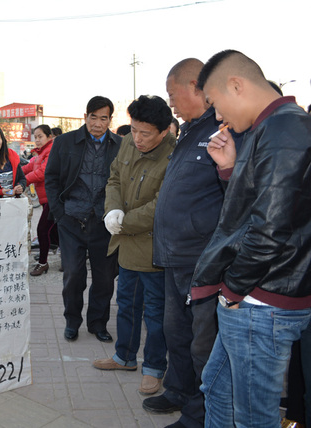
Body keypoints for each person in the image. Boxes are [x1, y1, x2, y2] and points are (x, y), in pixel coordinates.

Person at [192, 49, 311, 428]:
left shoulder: (285, 129)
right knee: (217, 388)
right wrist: (229, 170)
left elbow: (270, 229)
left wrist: (233, 291)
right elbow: (261, 210)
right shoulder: (272, 128)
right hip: (256, 297)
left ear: (236, 85)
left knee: (253, 417)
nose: (218, 116)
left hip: (261, 301)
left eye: (215, 104)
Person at [141, 58, 235, 428]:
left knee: (202, 341)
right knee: (174, 330)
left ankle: (199, 414)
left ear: (196, 86)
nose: (172, 103)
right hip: (174, 255)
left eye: (173, 94)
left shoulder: (223, 130)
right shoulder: (189, 131)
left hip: (200, 257)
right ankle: (179, 390)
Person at [93, 95, 175, 396]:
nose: (138, 139)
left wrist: (124, 221)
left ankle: (154, 368)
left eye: (146, 133)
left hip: (153, 250)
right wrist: (112, 209)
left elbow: (161, 206)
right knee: (126, 303)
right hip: (125, 245)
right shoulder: (128, 142)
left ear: (164, 131)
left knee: (155, 312)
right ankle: (124, 356)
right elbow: (114, 178)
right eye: (134, 129)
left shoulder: (173, 157)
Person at [45, 96, 121, 343]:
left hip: (104, 223)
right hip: (72, 221)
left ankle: (98, 324)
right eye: (93, 117)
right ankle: (72, 321)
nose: (98, 123)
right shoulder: (65, 142)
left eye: (104, 118)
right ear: (85, 117)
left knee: (104, 279)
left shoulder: (120, 145)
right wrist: (60, 213)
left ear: (110, 120)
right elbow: (52, 178)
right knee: (74, 275)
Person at [21, 124, 58, 276]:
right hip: (45, 199)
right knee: (53, 229)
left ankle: (43, 263)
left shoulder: (51, 152)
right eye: (35, 137)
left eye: (40, 136)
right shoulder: (39, 155)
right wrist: (11, 174)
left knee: (42, 229)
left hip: (52, 198)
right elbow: (27, 168)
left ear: (49, 137)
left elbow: (42, 173)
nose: (37, 140)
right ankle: (62, 257)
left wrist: (23, 182)